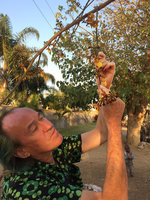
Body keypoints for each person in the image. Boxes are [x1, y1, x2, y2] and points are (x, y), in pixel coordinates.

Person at [0, 52, 128, 200]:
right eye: (34, 129)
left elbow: (101, 134)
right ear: (21, 152)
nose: (47, 126)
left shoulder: (52, 150)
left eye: (41, 118)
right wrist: (114, 125)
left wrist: (105, 89)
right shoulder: (28, 190)